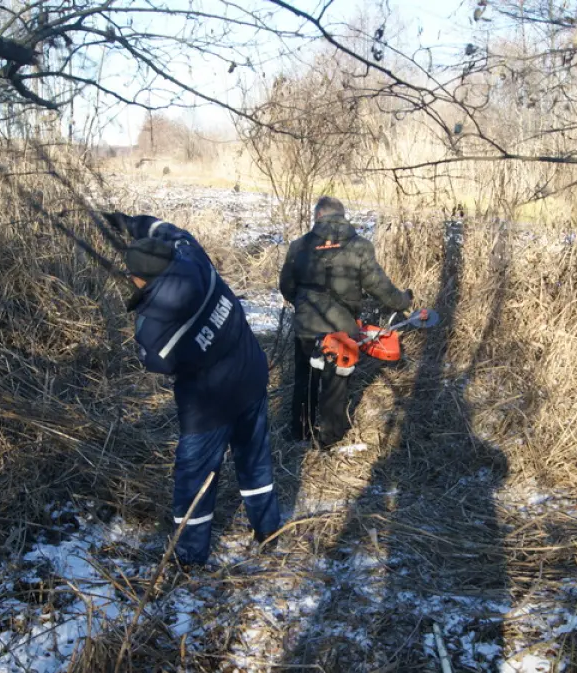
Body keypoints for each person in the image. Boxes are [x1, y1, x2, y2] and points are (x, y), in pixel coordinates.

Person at [105, 211, 283, 568]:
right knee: (255, 460)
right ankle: (269, 532)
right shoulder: (191, 254)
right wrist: (132, 222)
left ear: (140, 280)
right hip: (251, 376)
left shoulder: (152, 328)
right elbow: (169, 230)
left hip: (208, 408)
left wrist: (144, 308)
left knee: (193, 480)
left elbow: (155, 361)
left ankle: (189, 556)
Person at [278, 196, 413, 447]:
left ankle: (300, 431)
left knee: (305, 378)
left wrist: (304, 306)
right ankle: (330, 438)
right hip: (342, 329)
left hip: (306, 327)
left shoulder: (299, 246)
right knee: (336, 383)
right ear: (343, 216)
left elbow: (286, 287)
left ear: (317, 217)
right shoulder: (359, 246)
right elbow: (379, 287)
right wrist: (403, 301)